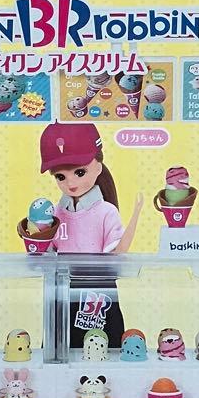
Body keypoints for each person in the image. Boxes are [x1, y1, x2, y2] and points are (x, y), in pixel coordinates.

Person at [39, 122, 144, 348]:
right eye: (60, 176)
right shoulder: (56, 212)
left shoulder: (106, 212)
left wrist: (136, 216)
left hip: (98, 292)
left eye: (79, 172)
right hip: (62, 292)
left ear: (98, 166)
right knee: (59, 350)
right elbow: (46, 253)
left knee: (104, 348)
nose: (70, 183)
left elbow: (116, 254)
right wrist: (36, 237)